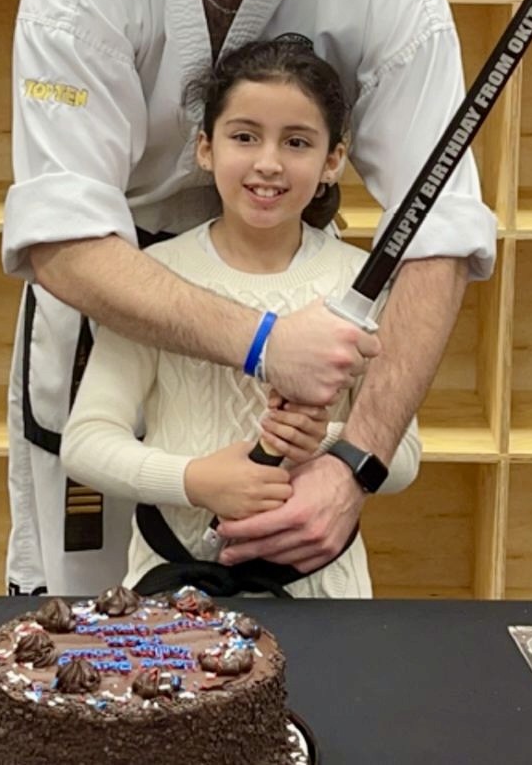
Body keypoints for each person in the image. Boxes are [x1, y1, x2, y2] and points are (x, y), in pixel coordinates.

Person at [0, 0, 497, 597]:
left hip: (301, 299)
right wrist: (267, 340)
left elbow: (440, 230)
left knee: (277, 648)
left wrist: (356, 461)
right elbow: (61, 240)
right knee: (86, 626)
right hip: (123, 318)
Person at [60, 34, 424, 598]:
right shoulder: (152, 277)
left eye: (297, 141)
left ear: (333, 161)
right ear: (206, 148)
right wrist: (196, 480)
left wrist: (324, 443)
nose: (268, 163)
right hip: (171, 596)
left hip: (321, 594)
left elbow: (402, 459)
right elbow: (84, 443)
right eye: (245, 136)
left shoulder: (363, 285)